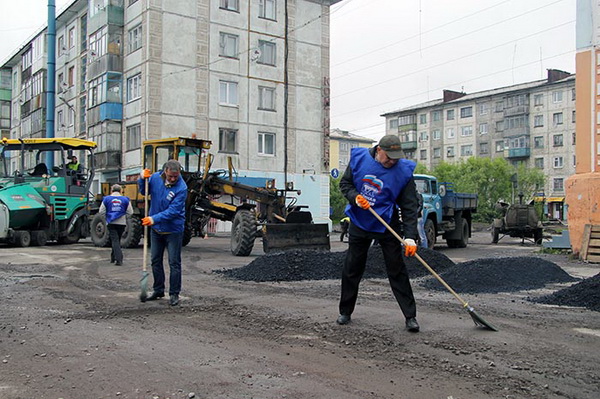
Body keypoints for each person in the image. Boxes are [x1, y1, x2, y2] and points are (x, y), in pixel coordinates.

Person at [336, 134, 421, 333]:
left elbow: (409, 206)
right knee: (352, 267)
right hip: (360, 220)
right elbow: (345, 184)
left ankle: (410, 316)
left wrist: (410, 237)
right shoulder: (359, 160)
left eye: (396, 157)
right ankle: (345, 311)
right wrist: (355, 197)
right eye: (389, 156)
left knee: (396, 269)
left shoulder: (403, 172)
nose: (392, 161)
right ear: (379, 150)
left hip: (387, 222)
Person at [138, 160, 187, 306]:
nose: (173, 179)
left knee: (174, 263)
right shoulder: (154, 178)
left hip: (173, 230)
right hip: (156, 230)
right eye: (171, 176)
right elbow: (143, 191)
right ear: (165, 171)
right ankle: (158, 289)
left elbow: (174, 211)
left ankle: (174, 293)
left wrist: (153, 218)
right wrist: (141, 178)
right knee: (155, 261)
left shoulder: (182, 188)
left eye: (176, 176)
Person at [99, 184, 133, 266]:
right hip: (122, 223)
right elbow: (130, 212)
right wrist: (124, 218)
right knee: (117, 240)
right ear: (121, 191)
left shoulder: (107, 199)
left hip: (111, 223)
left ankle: (119, 259)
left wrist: (107, 217)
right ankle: (113, 257)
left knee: (114, 240)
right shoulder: (125, 199)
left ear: (111, 190)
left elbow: (101, 211)